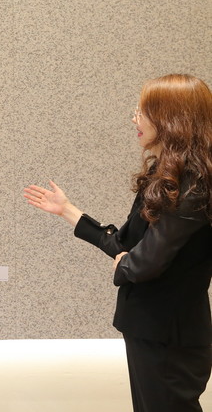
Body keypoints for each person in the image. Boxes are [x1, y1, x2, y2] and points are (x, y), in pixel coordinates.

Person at [23, 73, 212, 411]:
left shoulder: (194, 186)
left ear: (171, 118)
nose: (134, 119)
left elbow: (143, 262)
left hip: (170, 336)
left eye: (142, 111)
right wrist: (67, 210)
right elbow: (124, 243)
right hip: (150, 330)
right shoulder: (165, 178)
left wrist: (124, 265)